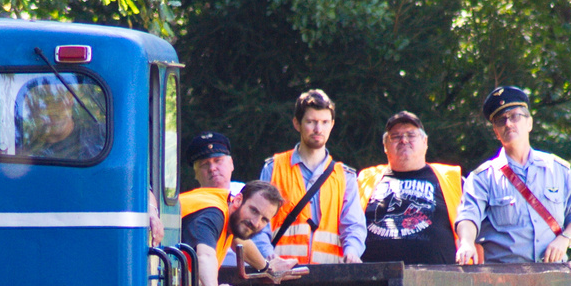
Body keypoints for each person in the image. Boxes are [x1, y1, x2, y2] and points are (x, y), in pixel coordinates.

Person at [454, 86, 571, 264]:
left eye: (515, 116)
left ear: (529, 123)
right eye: (501, 121)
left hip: (552, 275)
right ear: (496, 132)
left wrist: (564, 239)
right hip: (503, 279)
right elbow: (468, 216)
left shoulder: (558, 170)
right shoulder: (482, 178)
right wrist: (466, 242)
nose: (508, 124)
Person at [258, 90, 366, 264]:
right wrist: (267, 256)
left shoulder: (345, 177)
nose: (318, 129)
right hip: (281, 276)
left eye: (324, 122)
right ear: (296, 123)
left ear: (332, 125)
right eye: (311, 122)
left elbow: (353, 226)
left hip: (331, 279)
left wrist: (352, 252)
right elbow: (258, 222)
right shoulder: (273, 168)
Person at [356, 112, 464, 264]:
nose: (403, 140)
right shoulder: (365, 180)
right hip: (372, 282)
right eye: (395, 136)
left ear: (425, 141)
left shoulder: (452, 179)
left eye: (411, 135)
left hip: (438, 281)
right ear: (385, 145)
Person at [179, 181, 293, 286]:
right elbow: (205, 255)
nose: (256, 223)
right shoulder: (213, 214)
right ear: (238, 200)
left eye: (264, 219)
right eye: (254, 211)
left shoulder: (230, 211)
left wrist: (267, 269)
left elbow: (241, 243)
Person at [185, 130, 275, 269]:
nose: (212, 168)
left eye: (218, 161)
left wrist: (267, 266)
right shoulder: (194, 205)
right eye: (204, 164)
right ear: (195, 173)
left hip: (243, 276)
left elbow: (242, 240)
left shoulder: (250, 196)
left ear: (231, 163)